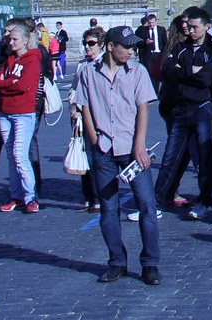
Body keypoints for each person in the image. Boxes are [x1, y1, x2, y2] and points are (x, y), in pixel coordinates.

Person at [73, 25, 161, 286]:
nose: (131, 51)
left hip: (132, 149)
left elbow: (143, 109)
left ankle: (150, 263)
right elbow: (84, 107)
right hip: (104, 149)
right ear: (111, 47)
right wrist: (94, 140)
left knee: (147, 205)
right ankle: (116, 262)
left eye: (133, 47)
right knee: (108, 209)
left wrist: (139, 145)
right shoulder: (89, 72)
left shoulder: (138, 71)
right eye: (127, 46)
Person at [155, 6, 212, 221]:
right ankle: (157, 200)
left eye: (194, 27)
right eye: (188, 27)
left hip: (202, 109)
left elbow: (207, 78)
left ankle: (205, 199)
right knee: (169, 157)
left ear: (206, 27)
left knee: (204, 157)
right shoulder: (180, 48)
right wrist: (190, 72)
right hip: (180, 109)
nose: (190, 31)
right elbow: (167, 72)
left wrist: (183, 72)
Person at [0, 20, 43, 213]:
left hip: (23, 113)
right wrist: (11, 82)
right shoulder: (10, 60)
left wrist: (8, 83)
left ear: (25, 40)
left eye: (14, 39)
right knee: (11, 156)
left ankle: (31, 197)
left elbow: (24, 86)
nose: (10, 43)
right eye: (9, 39)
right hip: (5, 112)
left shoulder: (33, 59)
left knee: (20, 156)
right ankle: (16, 195)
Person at [73, 26, 107, 212]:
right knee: (83, 157)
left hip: (96, 116)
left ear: (101, 45)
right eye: (85, 43)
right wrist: (73, 106)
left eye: (91, 43)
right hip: (79, 116)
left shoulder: (103, 64)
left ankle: (98, 197)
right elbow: (74, 88)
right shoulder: (81, 64)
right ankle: (87, 195)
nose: (87, 47)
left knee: (97, 158)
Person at [134, 13, 165, 84]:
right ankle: (151, 90)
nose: (151, 24)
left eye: (152, 22)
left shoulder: (161, 30)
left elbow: (165, 42)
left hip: (159, 54)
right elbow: (138, 43)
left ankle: (156, 91)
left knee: (158, 74)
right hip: (149, 55)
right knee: (150, 74)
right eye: (149, 23)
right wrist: (145, 43)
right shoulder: (143, 31)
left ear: (156, 22)